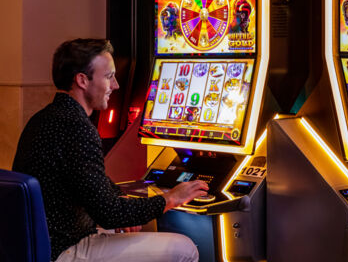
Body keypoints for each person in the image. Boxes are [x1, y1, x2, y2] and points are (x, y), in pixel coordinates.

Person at [13, 39, 209, 262]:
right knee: (185, 248)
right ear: (82, 80)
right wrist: (170, 198)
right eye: (108, 77)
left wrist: (124, 203)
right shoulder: (76, 128)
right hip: (62, 250)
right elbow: (108, 213)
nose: (115, 85)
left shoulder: (44, 119)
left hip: (42, 244)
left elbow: (92, 186)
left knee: (133, 230)